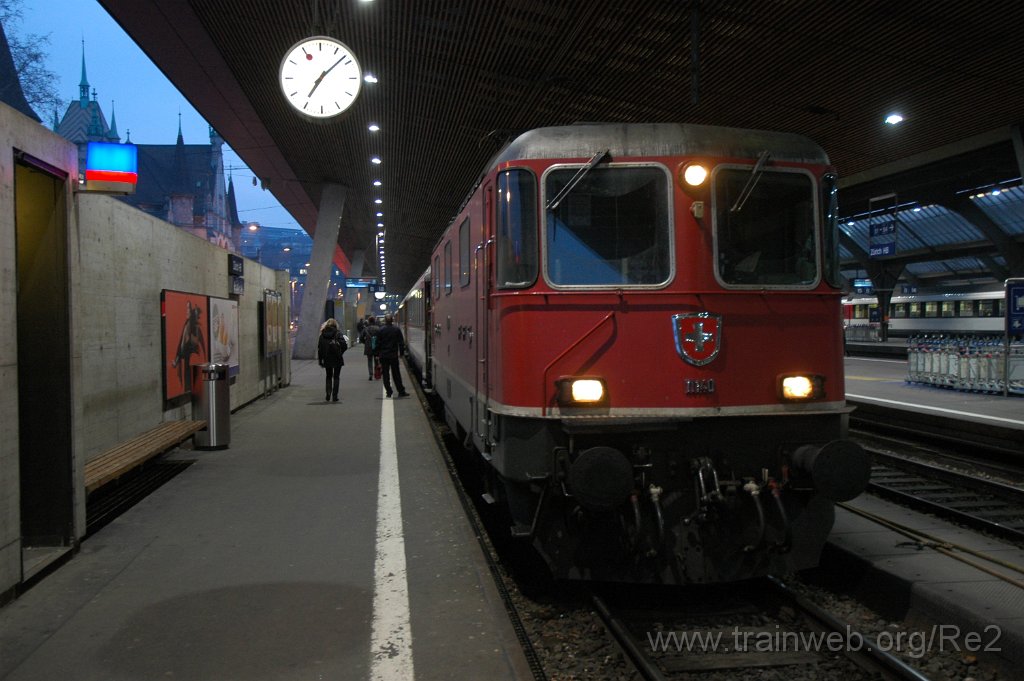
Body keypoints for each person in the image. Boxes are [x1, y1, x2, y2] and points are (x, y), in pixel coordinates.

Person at [376, 315, 408, 398]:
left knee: (385, 375)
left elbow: (377, 343)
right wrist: (401, 353)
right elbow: (401, 343)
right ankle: (401, 391)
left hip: (383, 355)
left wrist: (377, 354)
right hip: (393, 356)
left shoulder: (381, 330)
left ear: (385, 321)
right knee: (396, 374)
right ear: (392, 320)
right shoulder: (396, 329)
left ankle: (389, 392)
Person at [317, 318, 347, 402]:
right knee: (336, 377)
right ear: (335, 325)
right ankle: (335, 396)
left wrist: (320, 360)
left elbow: (320, 348)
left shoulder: (322, 334)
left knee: (328, 376)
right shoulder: (338, 333)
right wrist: (340, 353)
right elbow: (344, 345)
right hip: (337, 357)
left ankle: (328, 394)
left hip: (327, 358)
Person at [361, 316, 382, 380]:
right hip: (376, 347)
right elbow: (381, 338)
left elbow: (361, 338)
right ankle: (377, 374)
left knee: (369, 361)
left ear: (369, 321)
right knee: (376, 361)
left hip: (368, 347)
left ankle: (370, 374)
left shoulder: (366, 329)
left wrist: (365, 342)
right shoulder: (378, 329)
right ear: (374, 321)